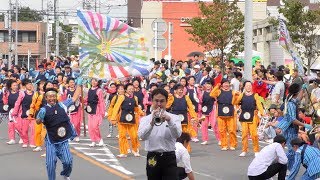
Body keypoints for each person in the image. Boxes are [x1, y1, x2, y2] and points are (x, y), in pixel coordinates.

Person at [35, 78, 82, 180]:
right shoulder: (43, 109)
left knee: (68, 161)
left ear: (56, 97)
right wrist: (40, 117)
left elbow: (74, 97)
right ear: (46, 98)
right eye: (49, 97)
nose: (51, 98)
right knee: (50, 164)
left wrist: (79, 83)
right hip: (51, 140)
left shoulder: (62, 105)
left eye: (53, 96)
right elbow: (38, 121)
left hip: (63, 140)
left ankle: (66, 174)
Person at [138, 88, 182, 180]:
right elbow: (141, 136)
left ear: (166, 102)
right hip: (153, 157)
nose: (159, 104)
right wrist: (151, 123)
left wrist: (169, 120)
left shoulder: (174, 118)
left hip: (169, 156)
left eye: (162, 101)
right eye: (156, 101)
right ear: (152, 101)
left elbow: (177, 135)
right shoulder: (145, 119)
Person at [276, 83, 312, 170]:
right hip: (290, 129)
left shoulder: (290, 98)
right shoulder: (291, 104)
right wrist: (304, 124)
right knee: (292, 151)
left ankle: (288, 169)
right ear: (296, 92)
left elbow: (298, 99)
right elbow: (292, 119)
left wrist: (303, 89)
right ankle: (278, 165)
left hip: (289, 128)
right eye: (299, 90)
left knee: (292, 151)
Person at [110, 83, 144, 157]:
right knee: (122, 136)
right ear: (126, 90)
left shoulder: (135, 98)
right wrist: (113, 118)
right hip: (122, 119)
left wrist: (141, 112)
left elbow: (136, 108)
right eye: (129, 89)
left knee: (134, 136)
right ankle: (123, 152)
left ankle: (135, 150)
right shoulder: (121, 97)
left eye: (132, 89)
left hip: (132, 119)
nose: (131, 90)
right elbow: (116, 107)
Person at [235, 81, 264, 157]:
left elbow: (259, 104)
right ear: (244, 87)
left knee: (254, 134)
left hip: (253, 116)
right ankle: (244, 150)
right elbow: (236, 102)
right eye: (247, 85)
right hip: (244, 116)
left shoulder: (255, 95)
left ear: (252, 86)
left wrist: (262, 113)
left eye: (250, 85)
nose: (248, 87)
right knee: (244, 134)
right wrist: (236, 96)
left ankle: (256, 150)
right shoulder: (242, 95)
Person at [210, 78, 240, 151]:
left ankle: (233, 144)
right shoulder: (219, 91)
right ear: (222, 84)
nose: (226, 85)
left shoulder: (233, 92)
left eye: (227, 83)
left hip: (231, 112)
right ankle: (224, 145)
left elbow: (237, 101)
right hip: (221, 113)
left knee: (232, 130)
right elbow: (211, 94)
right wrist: (217, 86)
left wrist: (237, 95)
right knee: (222, 130)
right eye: (224, 83)